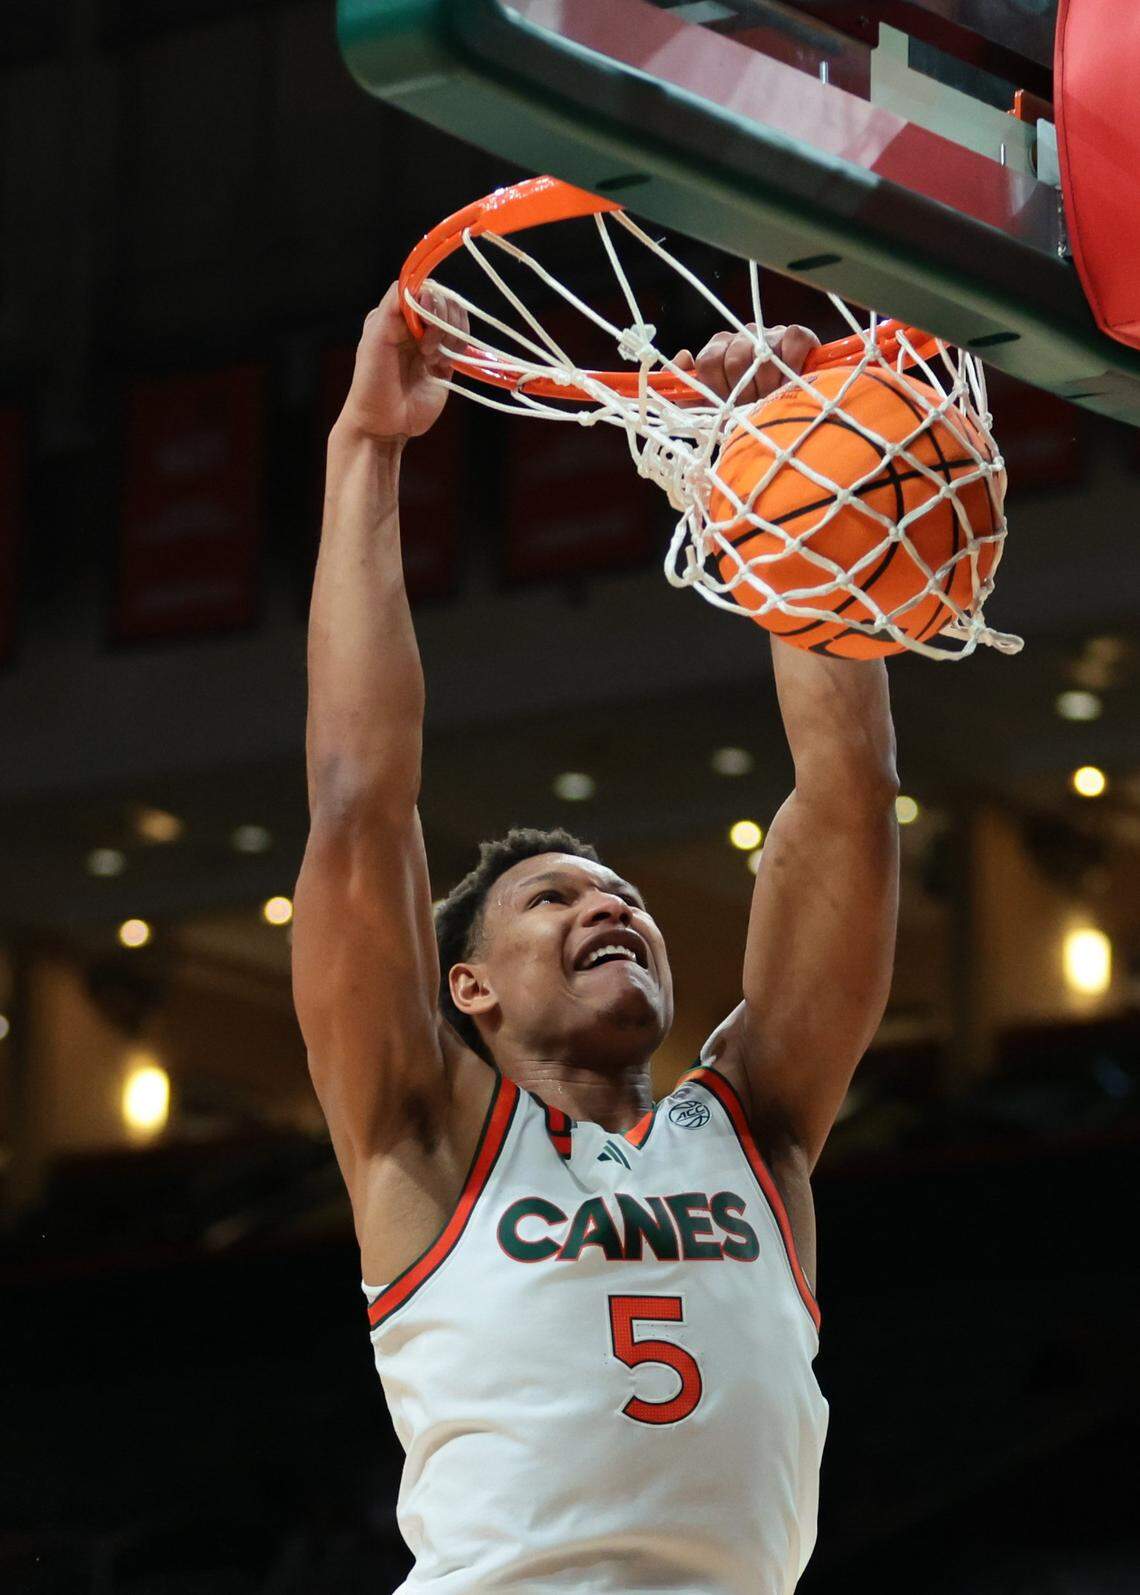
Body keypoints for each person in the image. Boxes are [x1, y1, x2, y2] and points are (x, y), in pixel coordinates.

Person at [292, 281, 900, 1593]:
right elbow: (357, 799)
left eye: (617, 890)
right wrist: (367, 450)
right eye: (554, 900)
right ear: (469, 989)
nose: (607, 904)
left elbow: (848, 802)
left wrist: (783, 481)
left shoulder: (758, 1132)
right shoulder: (426, 1136)